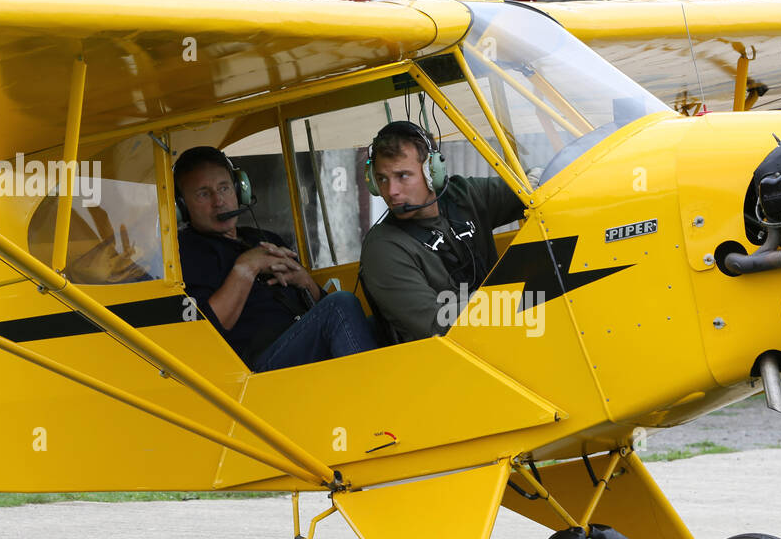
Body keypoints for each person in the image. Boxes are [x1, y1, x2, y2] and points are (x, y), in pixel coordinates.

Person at [174, 146, 378, 371]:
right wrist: (246, 268)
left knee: (379, 324)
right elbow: (203, 332)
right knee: (342, 303)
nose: (218, 201)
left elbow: (329, 314)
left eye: (224, 188)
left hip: (301, 339)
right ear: (182, 206)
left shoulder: (262, 238)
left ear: (239, 190)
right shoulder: (185, 252)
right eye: (203, 194)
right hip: (257, 370)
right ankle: (373, 396)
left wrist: (305, 281)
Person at [358, 121, 525, 343]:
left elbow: (533, 189)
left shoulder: (463, 195)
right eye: (382, 179)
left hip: (500, 334)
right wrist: (518, 300)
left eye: (403, 176)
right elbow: (436, 324)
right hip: (446, 362)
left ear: (432, 172)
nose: (391, 191)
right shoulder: (383, 249)